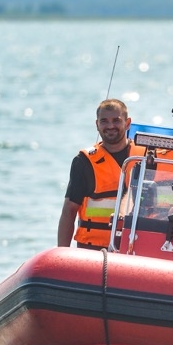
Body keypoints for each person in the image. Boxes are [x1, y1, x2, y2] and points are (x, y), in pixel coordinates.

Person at [58, 99, 145, 249]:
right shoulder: (84, 161)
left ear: (128, 123)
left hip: (134, 246)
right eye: (104, 121)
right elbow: (69, 211)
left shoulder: (144, 156)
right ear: (97, 124)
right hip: (93, 248)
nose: (110, 126)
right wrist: (61, 254)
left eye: (116, 121)